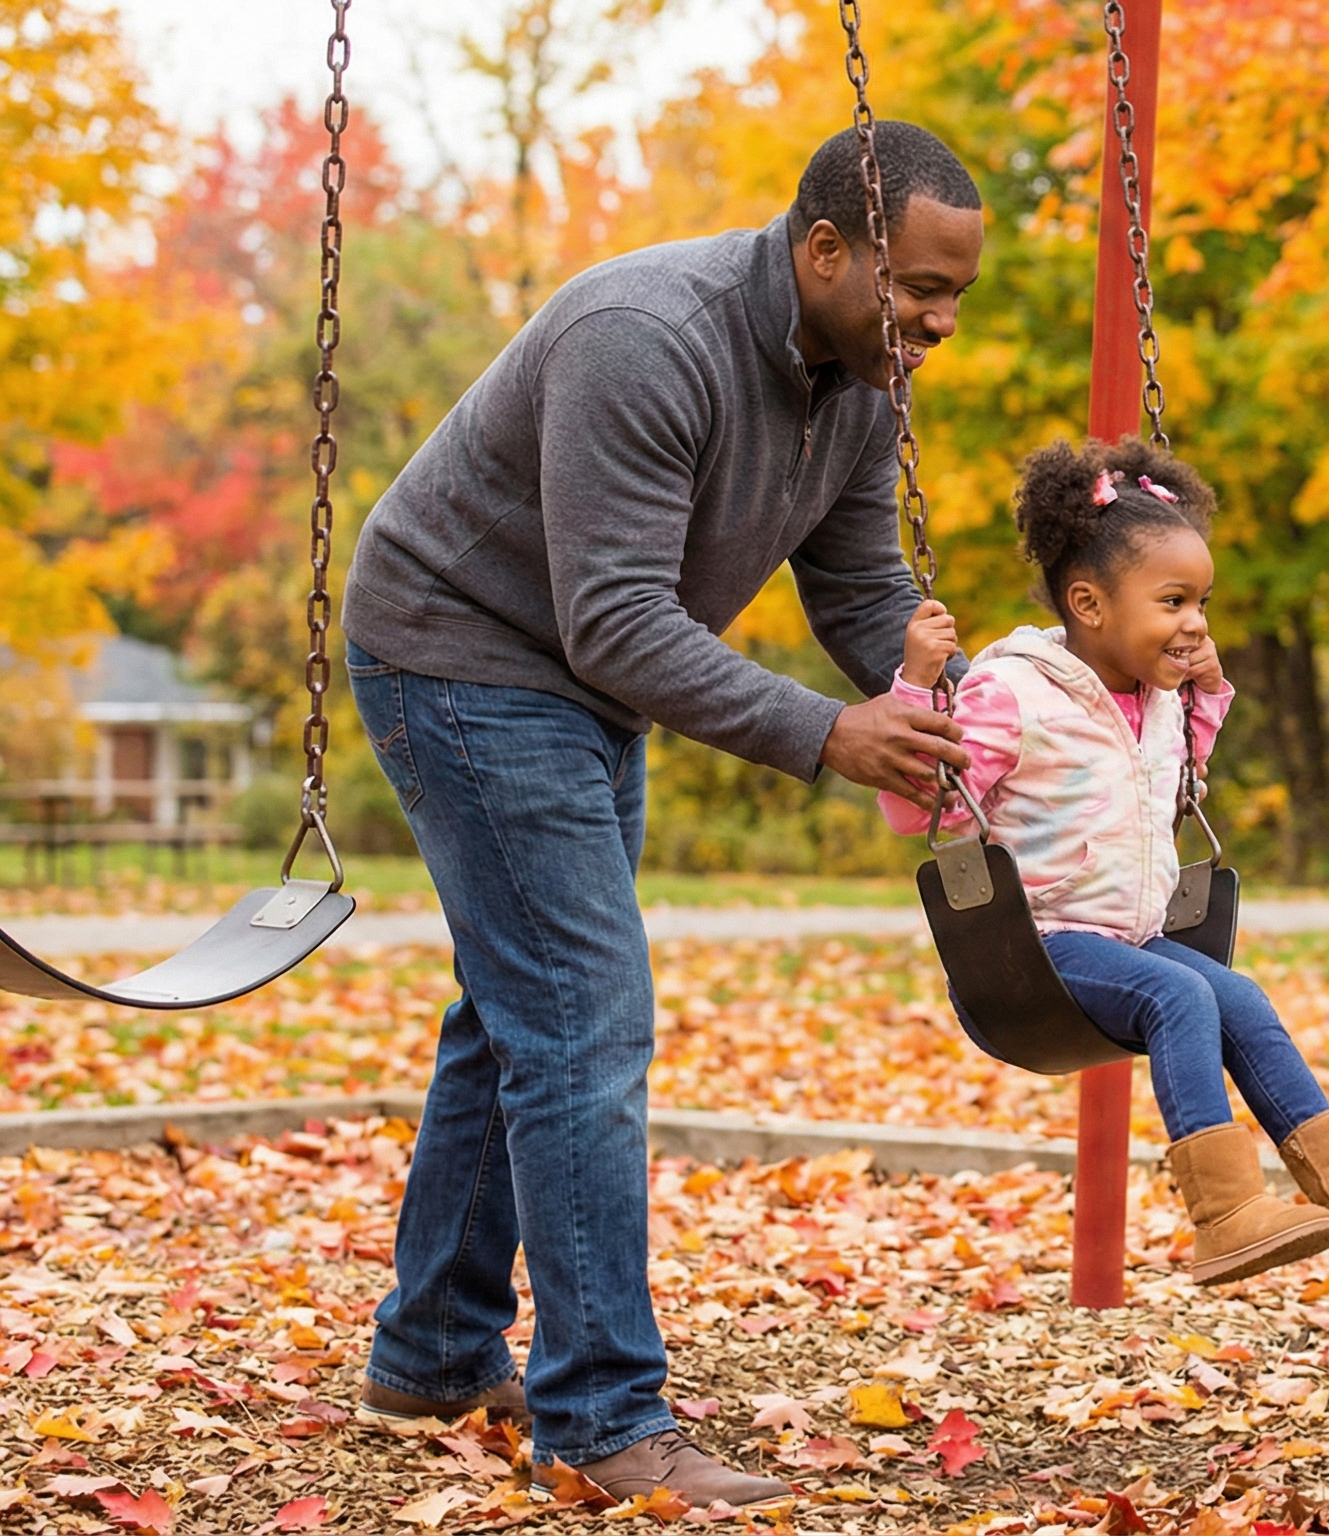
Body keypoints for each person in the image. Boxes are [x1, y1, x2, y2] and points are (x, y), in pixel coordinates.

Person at [340, 124, 987, 1510]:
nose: (936, 322)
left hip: (572, 680)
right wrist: (832, 736)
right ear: (826, 251)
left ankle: (435, 1352)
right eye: (917, 288)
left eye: (955, 296)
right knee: (581, 1013)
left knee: (520, 1010)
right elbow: (619, 617)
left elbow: (865, 595)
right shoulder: (648, 337)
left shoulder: (862, 384)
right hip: (459, 649)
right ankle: (602, 1421)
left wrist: (995, 722)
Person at [882, 437, 1329, 1284]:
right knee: (1181, 993)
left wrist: (1206, 694)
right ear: (1089, 603)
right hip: (1033, 947)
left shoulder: (1156, 695)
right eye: (1175, 600)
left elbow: (1176, 780)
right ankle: (1224, 1213)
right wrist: (914, 687)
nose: (1195, 619)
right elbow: (914, 805)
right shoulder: (1013, 692)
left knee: (1239, 998)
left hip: (1128, 937)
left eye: (1203, 601)